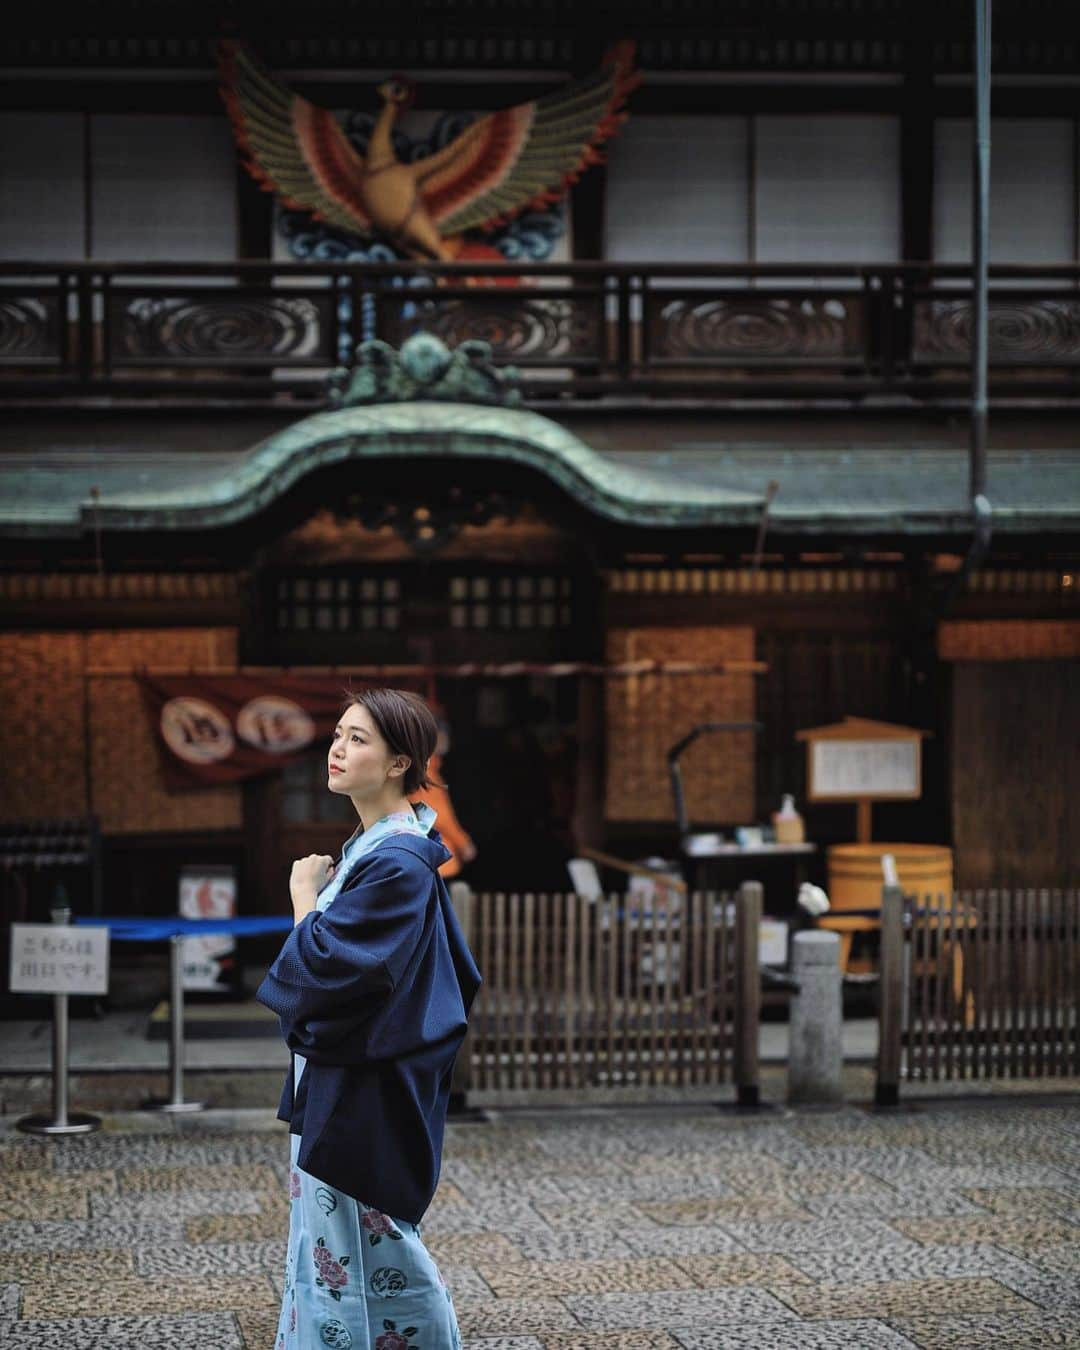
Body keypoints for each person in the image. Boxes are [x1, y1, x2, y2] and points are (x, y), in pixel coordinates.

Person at [257, 687, 481, 1350]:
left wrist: (304, 896)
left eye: (358, 738)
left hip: (365, 1087)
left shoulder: (396, 861)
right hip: (351, 1075)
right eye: (337, 733)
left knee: (373, 1245)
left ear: (397, 764)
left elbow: (328, 967)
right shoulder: (381, 848)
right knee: (348, 1246)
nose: (337, 748)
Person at [413, 716, 478, 880]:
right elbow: (439, 816)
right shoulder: (426, 774)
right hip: (436, 859)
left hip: (427, 858)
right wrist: (463, 843)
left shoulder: (424, 770)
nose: (446, 740)